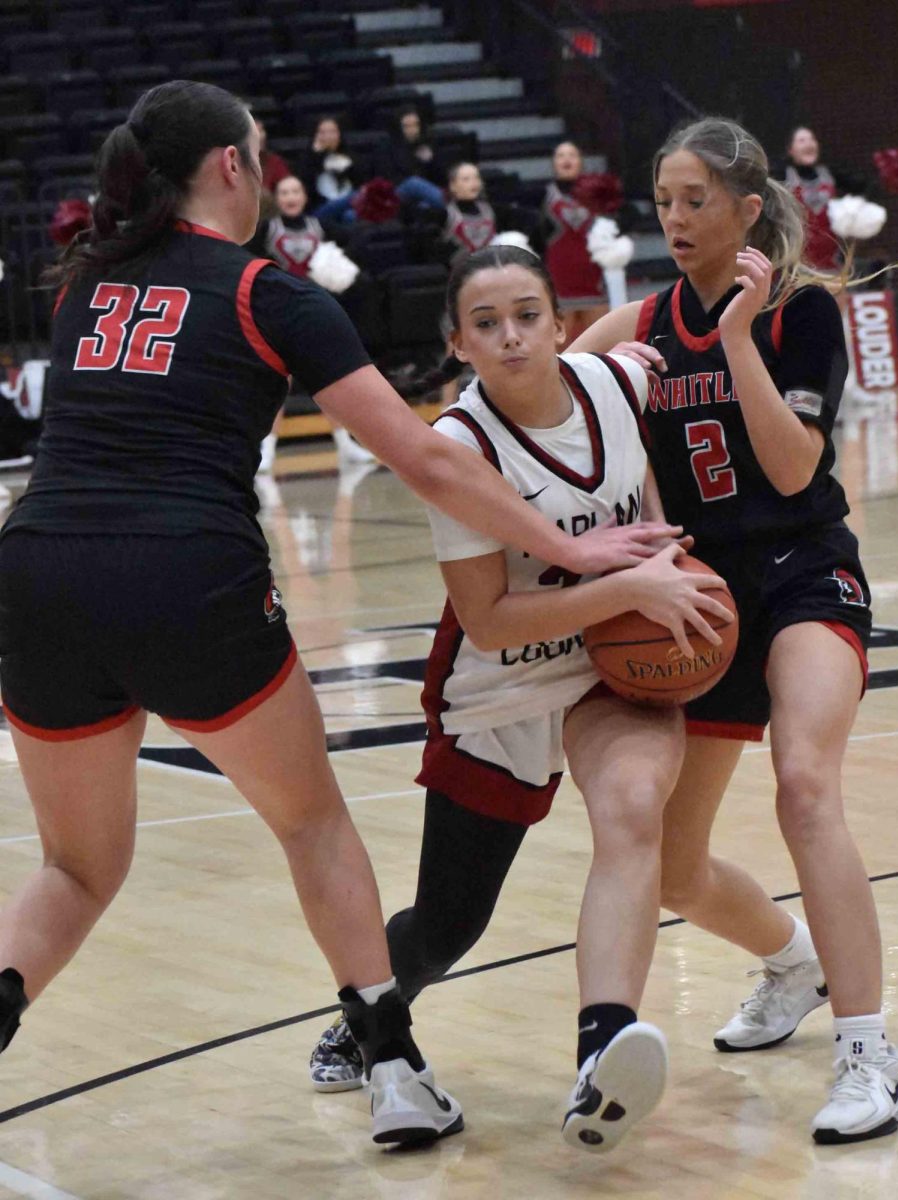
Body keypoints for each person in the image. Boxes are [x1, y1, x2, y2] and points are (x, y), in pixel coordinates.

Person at [0, 82, 657, 1148]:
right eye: (257, 155)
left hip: (37, 574)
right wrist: (571, 547)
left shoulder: (89, 285)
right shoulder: (269, 291)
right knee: (309, 822)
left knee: (76, 866)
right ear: (229, 167)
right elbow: (421, 457)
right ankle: (394, 1074)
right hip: (182, 572)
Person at [308, 244, 734, 1153]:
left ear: (561, 321)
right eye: (488, 324)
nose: (512, 338)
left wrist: (661, 571)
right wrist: (628, 593)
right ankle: (371, 1010)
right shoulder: (457, 450)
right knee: (446, 927)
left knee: (631, 810)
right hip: (497, 687)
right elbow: (491, 620)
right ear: (457, 342)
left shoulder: (616, 388)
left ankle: (600, 1050)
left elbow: (649, 488)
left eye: (529, 315)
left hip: (608, 673)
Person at [569, 116, 898, 1145]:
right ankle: (791, 960)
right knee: (675, 868)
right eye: (662, 200)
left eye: (692, 201)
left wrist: (731, 339)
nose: (671, 219)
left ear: (745, 209)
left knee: (804, 783)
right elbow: (534, 399)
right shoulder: (633, 321)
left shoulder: (801, 313)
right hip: (699, 603)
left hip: (803, 572)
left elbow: (790, 470)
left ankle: (868, 1051)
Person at [257, 175, 373, 471]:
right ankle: (267, 447)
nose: (291, 197)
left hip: (313, 311)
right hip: (279, 311)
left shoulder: (318, 227)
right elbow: (248, 259)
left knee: (327, 379)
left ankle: (345, 443)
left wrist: (335, 261)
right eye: (284, 192)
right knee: (278, 383)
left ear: (305, 196)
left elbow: (359, 234)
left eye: (296, 190)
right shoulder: (268, 229)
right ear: (277, 198)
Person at [540, 141, 609, 342]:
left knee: (602, 347)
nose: (567, 159)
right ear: (553, 163)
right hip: (560, 284)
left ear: (581, 162)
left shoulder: (598, 193)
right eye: (561, 155)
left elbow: (624, 217)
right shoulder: (544, 196)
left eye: (572, 155)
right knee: (561, 351)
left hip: (593, 283)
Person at [782, 126, 839, 272]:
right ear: (790, 150)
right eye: (802, 140)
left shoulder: (831, 174)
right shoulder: (782, 177)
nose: (808, 144)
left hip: (831, 262)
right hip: (798, 264)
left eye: (812, 139)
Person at [294, 116, 359, 223]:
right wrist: (317, 155)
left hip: (348, 206)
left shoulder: (351, 156)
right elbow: (306, 187)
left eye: (333, 132)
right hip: (320, 209)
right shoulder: (308, 159)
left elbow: (359, 180)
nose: (328, 137)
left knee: (350, 216)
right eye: (323, 133)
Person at [442, 162, 497, 260]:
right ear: (452, 185)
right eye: (466, 179)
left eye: (477, 178)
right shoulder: (446, 213)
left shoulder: (489, 209)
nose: (474, 183)